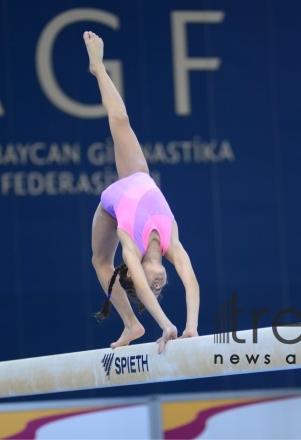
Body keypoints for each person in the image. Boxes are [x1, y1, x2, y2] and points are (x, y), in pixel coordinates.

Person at [84, 31, 200, 354]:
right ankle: (133, 324)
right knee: (120, 118)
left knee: (99, 260)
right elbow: (190, 280)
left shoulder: (130, 251)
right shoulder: (171, 242)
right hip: (138, 177)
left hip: (111, 207)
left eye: (151, 285)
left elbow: (158, 291)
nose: (159, 285)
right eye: (160, 286)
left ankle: (132, 323)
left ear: (137, 277)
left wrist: (166, 324)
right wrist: (190, 327)